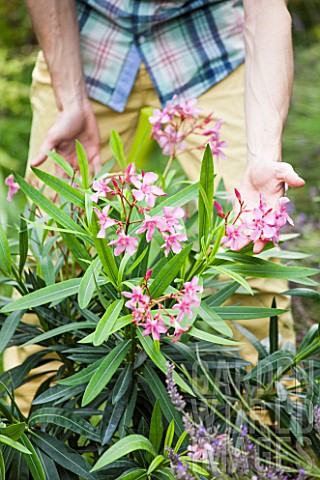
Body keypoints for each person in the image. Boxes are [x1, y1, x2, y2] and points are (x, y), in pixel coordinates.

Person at [5, 0, 305, 411]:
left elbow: (268, 10)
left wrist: (262, 155)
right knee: (47, 261)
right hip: (88, 39)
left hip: (209, 43)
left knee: (252, 264)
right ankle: (32, 430)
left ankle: (265, 437)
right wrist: (71, 99)